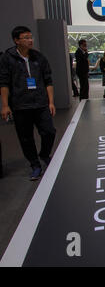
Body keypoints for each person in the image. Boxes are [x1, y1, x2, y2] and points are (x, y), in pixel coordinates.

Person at [0, 26, 56, 181]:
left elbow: (48, 80)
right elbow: (3, 83)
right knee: (26, 137)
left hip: (40, 102)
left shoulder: (38, 57)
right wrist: (5, 105)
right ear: (16, 40)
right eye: (26, 37)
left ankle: (44, 154)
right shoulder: (7, 58)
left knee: (49, 131)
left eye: (31, 37)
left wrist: (51, 102)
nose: (30, 40)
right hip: (20, 104)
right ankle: (35, 165)